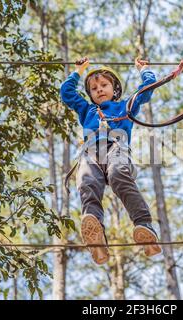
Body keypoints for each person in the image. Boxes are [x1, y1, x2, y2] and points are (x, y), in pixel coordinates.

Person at [60, 56, 162, 265]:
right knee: (87, 182)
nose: (99, 89)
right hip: (91, 153)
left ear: (114, 89)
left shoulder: (125, 106)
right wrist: (78, 72)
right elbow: (66, 93)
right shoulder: (86, 109)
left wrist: (145, 70)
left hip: (116, 148)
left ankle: (144, 225)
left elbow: (146, 89)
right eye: (94, 88)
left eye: (104, 85)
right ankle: (94, 229)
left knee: (118, 175)